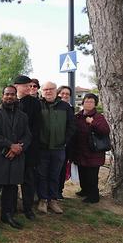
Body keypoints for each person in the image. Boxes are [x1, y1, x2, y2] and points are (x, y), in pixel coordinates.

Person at [0, 85, 32, 237]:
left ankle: (7, 215)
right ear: (2, 95)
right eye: (7, 94)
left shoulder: (23, 116)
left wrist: (19, 148)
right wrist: (10, 147)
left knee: (11, 189)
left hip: (17, 157)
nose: (9, 97)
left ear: (16, 96)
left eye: (12, 94)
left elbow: (28, 136)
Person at [37, 82, 75, 214]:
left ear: (55, 91)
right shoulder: (38, 105)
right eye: (45, 89)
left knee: (55, 175)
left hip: (58, 148)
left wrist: (64, 141)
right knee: (42, 175)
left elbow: (71, 126)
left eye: (51, 89)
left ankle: (53, 200)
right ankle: (42, 200)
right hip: (42, 148)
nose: (48, 91)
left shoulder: (65, 106)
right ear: (42, 91)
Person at [71, 93, 110, 203]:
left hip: (93, 152)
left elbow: (105, 130)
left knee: (92, 176)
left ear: (95, 104)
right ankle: (84, 190)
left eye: (91, 101)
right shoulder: (78, 116)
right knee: (82, 173)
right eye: (87, 101)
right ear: (83, 102)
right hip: (80, 151)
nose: (89, 103)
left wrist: (92, 123)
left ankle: (93, 196)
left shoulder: (98, 117)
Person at [13, 75, 41, 220]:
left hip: (29, 148)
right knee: (11, 179)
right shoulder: (10, 100)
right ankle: (11, 206)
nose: (29, 88)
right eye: (26, 85)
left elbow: (36, 127)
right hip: (11, 148)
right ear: (17, 86)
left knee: (28, 179)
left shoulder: (35, 103)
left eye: (31, 86)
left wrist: (23, 144)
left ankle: (28, 208)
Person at [56, 85, 74, 199]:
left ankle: (59, 191)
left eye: (67, 94)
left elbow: (71, 126)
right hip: (53, 143)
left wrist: (65, 140)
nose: (65, 95)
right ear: (58, 94)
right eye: (62, 93)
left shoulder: (70, 108)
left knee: (62, 168)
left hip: (65, 143)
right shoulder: (53, 106)